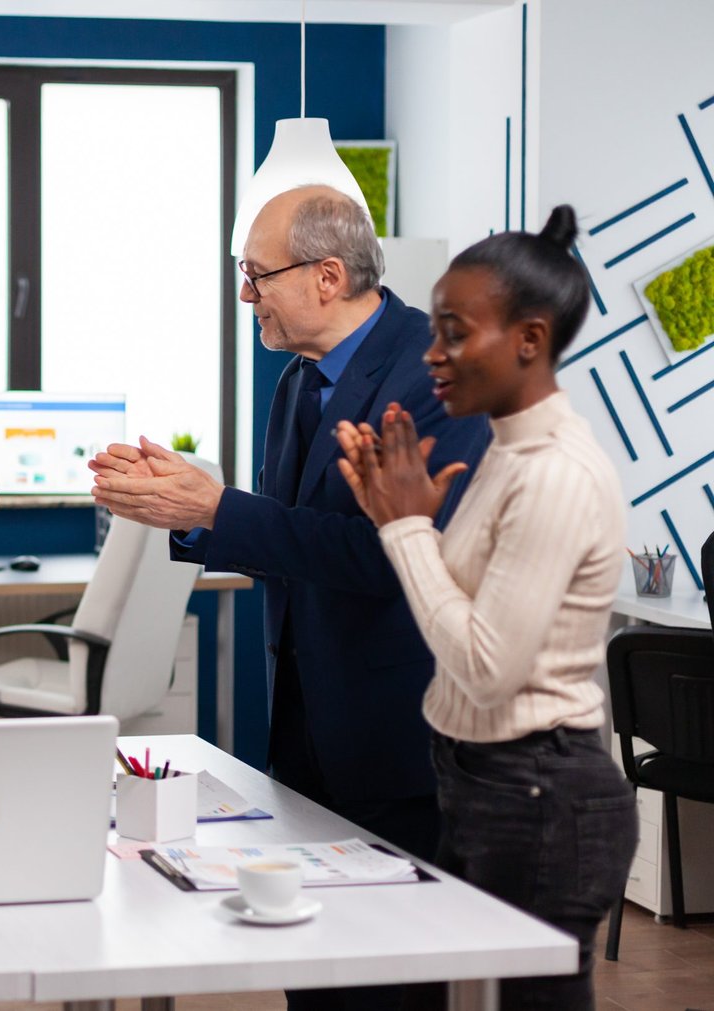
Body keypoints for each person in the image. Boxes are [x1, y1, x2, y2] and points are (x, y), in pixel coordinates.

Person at [91, 185, 490, 1011]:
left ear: (327, 276)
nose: (246, 296)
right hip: (307, 735)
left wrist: (215, 508)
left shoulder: (434, 377)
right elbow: (294, 539)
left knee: (386, 983)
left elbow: (389, 555)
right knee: (312, 976)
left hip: (395, 739)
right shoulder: (297, 382)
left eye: (256, 274)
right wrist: (198, 515)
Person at [335, 206, 638, 1009]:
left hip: (537, 793)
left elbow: (486, 666)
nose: (432, 355)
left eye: (454, 333)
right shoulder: (507, 452)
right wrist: (400, 520)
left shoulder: (554, 475)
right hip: (487, 781)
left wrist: (405, 530)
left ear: (530, 340)